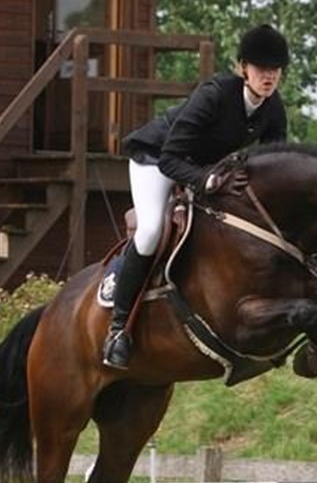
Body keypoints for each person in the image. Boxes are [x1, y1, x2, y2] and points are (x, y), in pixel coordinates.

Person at [102, 24, 291, 369]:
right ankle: (118, 328)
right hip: (156, 159)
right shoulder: (214, 95)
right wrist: (206, 180)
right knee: (151, 231)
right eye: (262, 68)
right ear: (243, 67)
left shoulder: (273, 108)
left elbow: (271, 166)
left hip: (203, 168)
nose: (269, 76)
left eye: (275, 69)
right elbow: (171, 158)